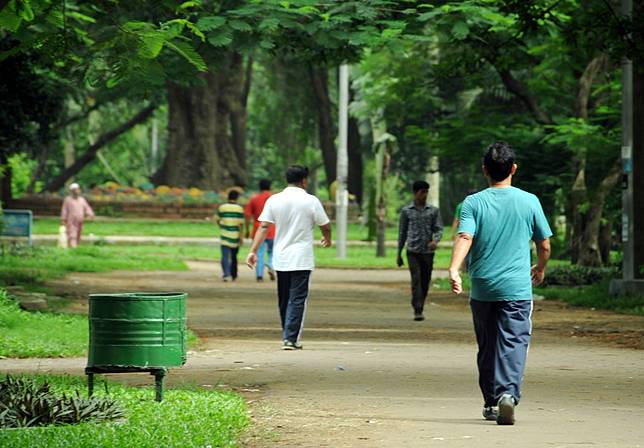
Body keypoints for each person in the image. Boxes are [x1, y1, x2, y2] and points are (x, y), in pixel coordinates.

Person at [448, 141, 552, 426]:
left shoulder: (473, 203)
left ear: (485, 170)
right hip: (516, 288)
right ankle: (507, 394)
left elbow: (465, 237)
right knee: (514, 341)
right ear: (514, 169)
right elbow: (544, 244)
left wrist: (454, 269)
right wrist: (541, 269)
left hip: (483, 287)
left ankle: (491, 401)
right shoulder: (530, 200)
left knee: (488, 345)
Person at [245, 165, 331, 350]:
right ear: (304, 180)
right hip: (302, 258)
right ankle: (290, 338)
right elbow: (325, 224)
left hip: (281, 258)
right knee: (297, 299)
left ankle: (288, 333)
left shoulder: (274, 200)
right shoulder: (311, 201)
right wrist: (327, 237)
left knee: (284, 298)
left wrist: (253, 251)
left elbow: (263, 227)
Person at [397, 180, 444, 321]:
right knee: (416, 280)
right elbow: (402, 232)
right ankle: (418, 308)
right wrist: (398, 253)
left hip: (428, 252)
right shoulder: (406, 211)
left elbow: (439, 228)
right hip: (412, 250)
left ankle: (420, 302)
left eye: (426, 192)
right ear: (415, 192)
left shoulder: (433, 211)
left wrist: (435, 241)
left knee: (425, 280)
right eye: (421, 192)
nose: (424, 195)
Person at [245, 179, 276, 282]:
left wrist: (247, 229)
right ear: (270, 186)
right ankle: (271, 265)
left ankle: (259, 276)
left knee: (259, 253)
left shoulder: (254, 199)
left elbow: (247, 215)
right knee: (273, 252)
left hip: (258, 230)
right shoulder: (274, 198)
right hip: (273, 229)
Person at [217, 190, 245, 282]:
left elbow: (217, 219)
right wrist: (241, 236)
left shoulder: (222, 208)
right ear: (237, 198)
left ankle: (226, 274)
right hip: (235, 235)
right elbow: (241, 224)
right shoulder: (239, 209)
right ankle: (234, 274)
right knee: (233, 257)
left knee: (225, 256)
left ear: (228, 197)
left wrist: (221, 226)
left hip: (225, 234)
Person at [60, 182, 94, 248]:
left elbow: (87, 207)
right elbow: (64, 210)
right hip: (71, 220)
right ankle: (73, 247)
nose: (76, 191)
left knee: (78, 234)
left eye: (77, 189)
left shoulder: (82, 200)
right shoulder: (68, 200)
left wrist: (90, 214)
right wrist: (63, 219)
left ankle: (75, 248)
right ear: (71, 191)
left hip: (80, 220)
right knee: (72, 235)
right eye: (74, 190)